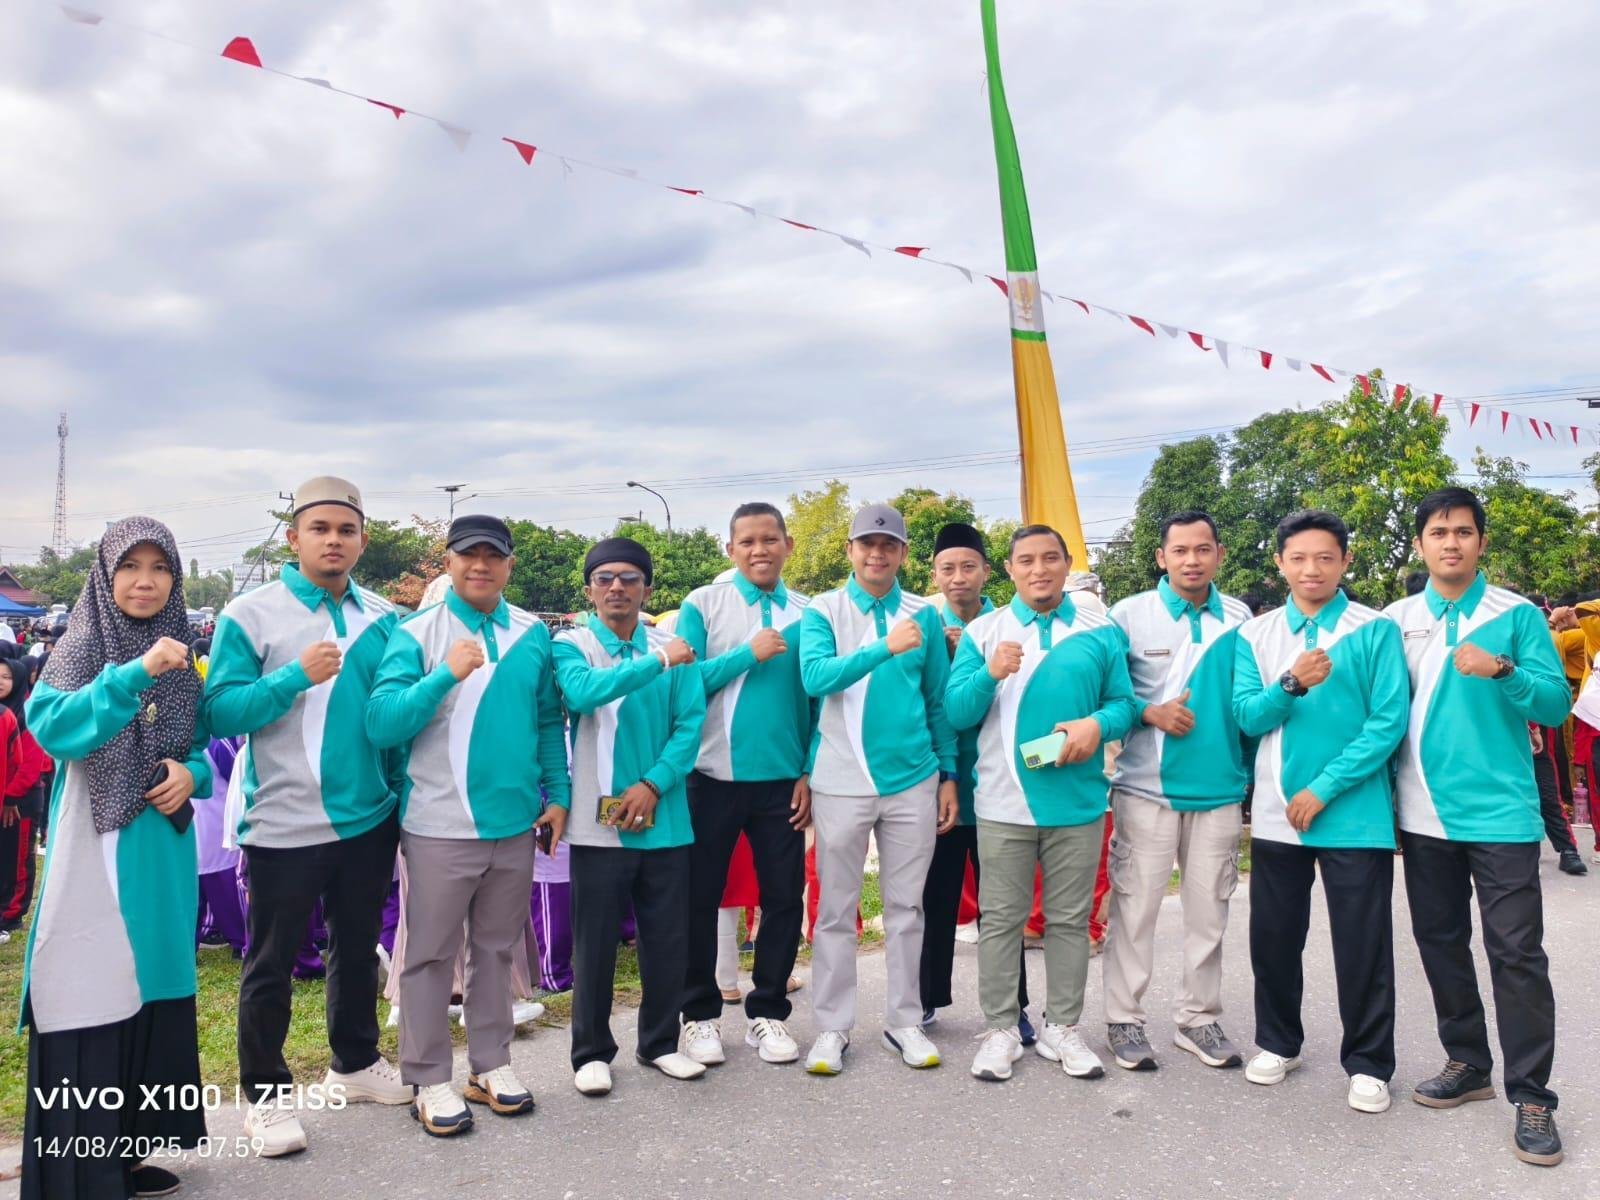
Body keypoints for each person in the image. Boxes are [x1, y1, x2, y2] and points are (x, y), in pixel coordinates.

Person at [202, 476, 410, 1157]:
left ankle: (353, 1062)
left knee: (355, 951)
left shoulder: (384, 617)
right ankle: (265, 1098)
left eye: (346, 530)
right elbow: (221, 712)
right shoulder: (250, 613)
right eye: (319, 529)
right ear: (294, 539)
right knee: (271, 963)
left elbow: (396, 718)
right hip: (283, 821)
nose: (333, 540)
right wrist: (294, 675)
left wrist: (401, 797)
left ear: (362, 541)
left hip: (367, 819)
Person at [19, 517, 212, 1200]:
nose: (145, 580)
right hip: (98, 847)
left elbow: (199, 741)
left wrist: (195, 774)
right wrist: (136, 671)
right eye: (131, 565)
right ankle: (79, 1171)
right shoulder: (80, 646)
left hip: (163, 847)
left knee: (153, 990)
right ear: (105, 574)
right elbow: (54, 728)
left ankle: (126, 1153)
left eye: (160, 568)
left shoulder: (187, 648)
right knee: (90, 989)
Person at [1385, 488, 1571, 1167]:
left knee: (1517, 955)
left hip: (1500, 815)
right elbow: (1381, 714)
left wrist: (1504, 670)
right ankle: (1468, 1061)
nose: (1452, 543)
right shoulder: (1397, 619)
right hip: (1420, 814)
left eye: (1464, 531)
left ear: (1481, 542)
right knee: (1439, 942)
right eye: (1439, 532)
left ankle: (1533, 1096)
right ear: (1422, 543)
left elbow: (1555, 706)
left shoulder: (1516, 615)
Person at [367, 514, 567, 1134]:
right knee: (427, 956)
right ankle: (429, 1077)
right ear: (447, 562)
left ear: (508, 564)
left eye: (492, 556)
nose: (480, 565)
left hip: (512, 824)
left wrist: (557, 794)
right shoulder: (416, 631)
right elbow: (381, 722)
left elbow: (544, 722)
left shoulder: (533, 634)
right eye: (467, 555)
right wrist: (444, 674)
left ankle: (489, 1064)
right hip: (437, 825)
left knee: (495, 949)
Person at [1232, 510, 1409, 1114]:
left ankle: (1369, 1064)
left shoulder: (1373, 629)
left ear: (1345, 563)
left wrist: (1325, 788)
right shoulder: (1254, 636)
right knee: (1275, 938)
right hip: (1280, 815)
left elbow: (1388, 722)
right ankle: (1278, 1042)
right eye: (1299, 558)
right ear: (1279, 563)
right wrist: (1289, 683)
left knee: (1363, 943)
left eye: (1325, 558)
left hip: (1353, 814)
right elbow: (1248, 718)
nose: (1312, 569)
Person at [949, 525, 1137, 1082]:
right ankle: (1002, 1028)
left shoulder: (1100, 631)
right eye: (1026, 560)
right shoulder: (984, 630)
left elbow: (1125, 704)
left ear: (1066, 563)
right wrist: (987, 674)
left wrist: (1095, 724)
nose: (1039, 569)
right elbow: (956, 713)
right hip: (1003, 804)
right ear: (1008, 569)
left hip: (1077, 804)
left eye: (1050, 558)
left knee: (1068, 921)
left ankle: (1063, 1026)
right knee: (1001, 921)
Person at [799, 504, 958, 1075]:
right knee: (836, 910)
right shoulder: (824, 609)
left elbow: (937, 701)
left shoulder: (925, 615)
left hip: (912, 779)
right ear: (850, 550)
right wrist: (883, 647)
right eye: (867, 544)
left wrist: (948, 774)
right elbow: (816, 678)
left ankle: (904, 1021)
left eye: (888, 545)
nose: (877, 554)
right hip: (841, 780)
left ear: (903, 554)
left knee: (906, 907)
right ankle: (832, 1028)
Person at [554, 537, 708, 1096]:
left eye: (628, 578)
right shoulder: (571, 646)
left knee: (667, 937)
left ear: (646, 588)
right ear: (590, 589)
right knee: (592, 942)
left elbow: (690, 727)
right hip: (597, 825)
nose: (616, 587)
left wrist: (653, 785)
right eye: (604, 578)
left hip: (664, 817)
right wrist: (657, 661)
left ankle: (661, 1042)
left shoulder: (677, 646)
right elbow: (584, 694)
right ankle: (591, 1052)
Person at [1103, 511, 1252, 1071]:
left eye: (1203, 549)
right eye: (1181, 550)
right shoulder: (1127, 616)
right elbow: (1108, 695)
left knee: (1209, 912)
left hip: (1217, 791)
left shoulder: (1239, 616)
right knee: (1135, 911)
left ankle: (1198, 1019)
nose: (1193, 560)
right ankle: (1123, 1019)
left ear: (1218, 553)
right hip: (1145, 790)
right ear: (1161, 557)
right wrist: (1150, 712)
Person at [675, 502, 813, 1068]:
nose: (760, 550)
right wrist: (744, 654)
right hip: (711, 778)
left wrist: (809, 768)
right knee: (698, 898)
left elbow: (819, 697)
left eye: (770, 540)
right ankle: (699, 1016)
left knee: (783, 898)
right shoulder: (703, 604)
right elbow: (683, 683)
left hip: (782, 781)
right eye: (748, 541)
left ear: (787, 546)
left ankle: (768, 1013)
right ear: (729, 549)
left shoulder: (808, 612)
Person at [918, 522, 1034, 1042]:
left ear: (989, 571)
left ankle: (1015, 1007)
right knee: (936, 900)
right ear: (935, 575)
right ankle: (923, 1002)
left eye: (969, 567)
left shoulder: (1010, 625)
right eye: (947, 569)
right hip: (938, 783)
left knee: (1003, 906)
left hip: (999, 785)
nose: (958, 578)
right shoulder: (920, 626)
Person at [0, 657, 47, 944]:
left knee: (18, 857)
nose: (0, 682)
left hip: (22, 798)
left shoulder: (26, 712)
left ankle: (13, 912)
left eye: (6, 677)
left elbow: (30, 763)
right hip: (6, 797)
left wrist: (11, 796)